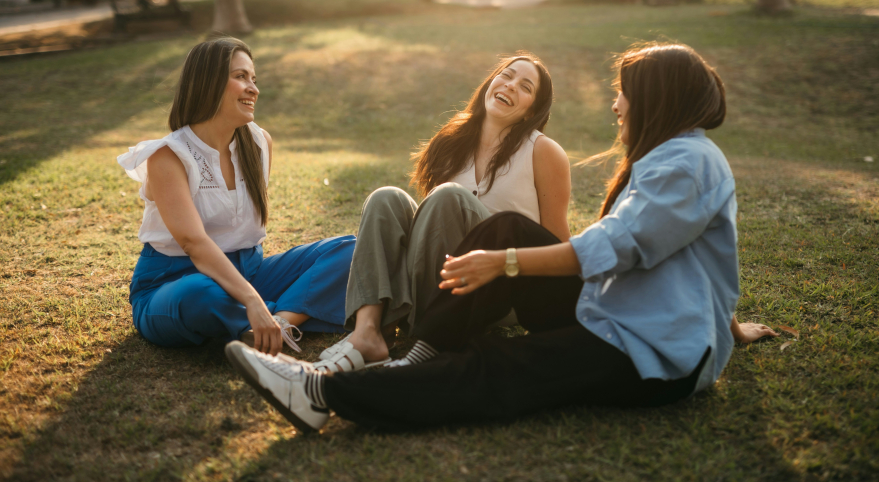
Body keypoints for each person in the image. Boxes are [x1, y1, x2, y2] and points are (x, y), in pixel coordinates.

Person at [225, 42, 782, 433]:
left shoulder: (685, 165)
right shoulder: (675, 158)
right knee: (500, 229)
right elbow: (702, 265)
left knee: (500, 370)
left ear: (658, 98)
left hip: (650, 351)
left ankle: (323, 395)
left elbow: (617, 245)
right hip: (620, 316)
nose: (616, 105)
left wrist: (505, 264)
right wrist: (729, 326)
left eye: (624, 93)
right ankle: (414, 352)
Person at [313, 52, 572, 372]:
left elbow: (557, 244)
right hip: (438, 283)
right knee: (386, 199)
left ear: (531, 110)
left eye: (525, 86)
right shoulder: (452, 141)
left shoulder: (543, 151)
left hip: (495, 291)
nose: (510, 85)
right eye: (506, 75)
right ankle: (367, 332)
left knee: (450, 196)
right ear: (491, 82)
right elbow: (432, 231)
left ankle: (429, 332)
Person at [118, 37, 355, 356]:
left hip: (250, 273)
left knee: (350, 250)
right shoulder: (168, 156)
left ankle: (279, 323)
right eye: (240, 77)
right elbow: (194, 244)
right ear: (208, 82)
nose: (253, 88)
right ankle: (279, 313)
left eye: (253, 79)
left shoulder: (259, 144)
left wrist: (252, 297)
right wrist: (251, 300)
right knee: (200, 294)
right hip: (174, 282)